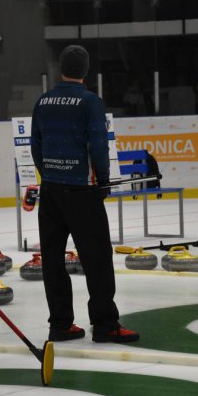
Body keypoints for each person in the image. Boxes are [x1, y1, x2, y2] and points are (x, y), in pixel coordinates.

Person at [30, 44, 139, 343]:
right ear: (86, 70)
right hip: (82, 190)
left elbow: (35, 144)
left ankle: (61, 324)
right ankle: (105, 324)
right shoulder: (90, 101)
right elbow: (98, 144)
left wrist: (48, 173)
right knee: (97, 260)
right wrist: (102, 179)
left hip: (50, 190)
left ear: (60, 68)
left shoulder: (43, 100)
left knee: (53, 261)